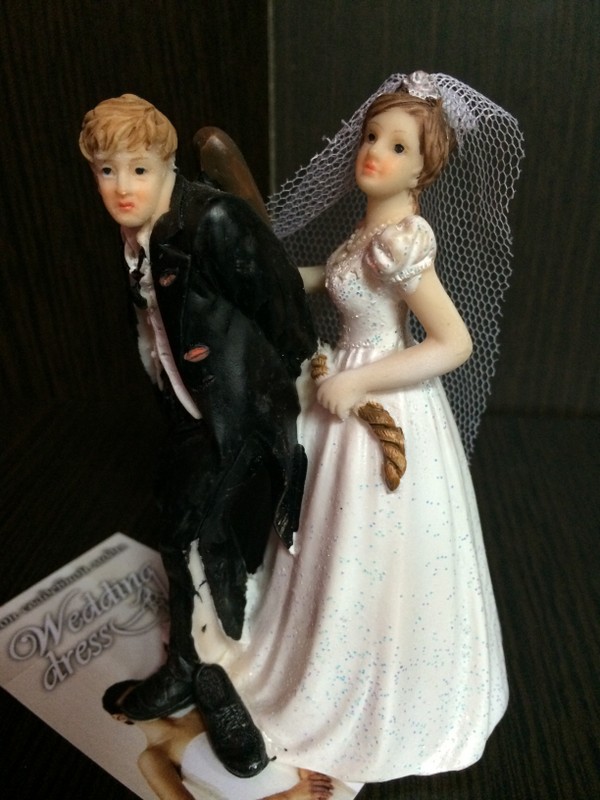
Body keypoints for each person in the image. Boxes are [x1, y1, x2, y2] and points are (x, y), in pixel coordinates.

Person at [217, 72, 523, 782]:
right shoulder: (369, 232)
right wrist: (277, 276)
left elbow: (452, 343)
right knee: (324, 536)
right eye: (371, 137)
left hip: (382, 394)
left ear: (423, 169)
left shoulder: (404, 242)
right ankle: (309, 652)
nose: (374, 153)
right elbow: (336, 277)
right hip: (341, 389)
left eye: (398, 146)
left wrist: (358, 381)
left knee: (375, 547)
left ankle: (374, 690)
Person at [79, 94, 316, 777]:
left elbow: (284, 308)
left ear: (167, 163)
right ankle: (198, 659)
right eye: (106, 171)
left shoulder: (212, 220)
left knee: (197, 532)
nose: (122, 187)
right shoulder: (139, 235)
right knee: (182, 524)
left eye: (138, 169)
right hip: (189, 411)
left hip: (241, 411)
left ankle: (206, 673)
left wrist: (277, 388)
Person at [103, 680, 335, 800]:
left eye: (144, 694)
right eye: (132, 701)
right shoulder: (154, 756)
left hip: (314, 779)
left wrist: (307, 770)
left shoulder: (196, 712)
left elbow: (264, 728)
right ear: (120, 717)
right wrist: (289, 797)